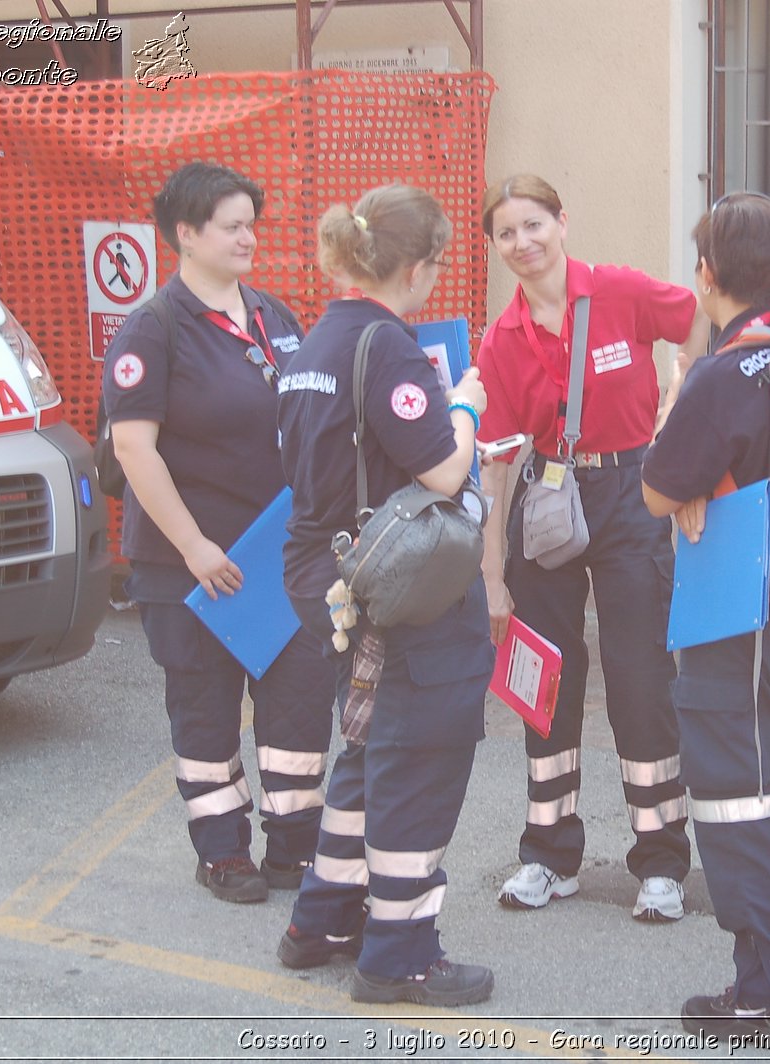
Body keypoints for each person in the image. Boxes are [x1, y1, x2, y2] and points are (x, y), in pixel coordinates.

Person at [273, 183, 495, 1007]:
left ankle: (323, 919)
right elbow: (442, 467)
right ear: (418, 265)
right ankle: (399, 952)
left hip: (330, 576)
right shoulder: (391, 347)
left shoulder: (310, 345)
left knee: (369, 747)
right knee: (419, 755)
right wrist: (464, 406)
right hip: (401, 589)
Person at [641, 192, 770, 1047]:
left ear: (707, 274)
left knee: (736, 805)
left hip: (740, 615)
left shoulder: (724, 371)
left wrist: (682, 475)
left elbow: (656, 485)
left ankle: (768, 996)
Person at [475, 174, 705, 922]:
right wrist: (490, 573)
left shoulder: (619, 291)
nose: (523, 243)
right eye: (507, 233)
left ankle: (662, 862)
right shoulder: (501, 337)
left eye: (534, 225)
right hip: (543, 505)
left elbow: (697, 320)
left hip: (630, 494)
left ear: (562, 222)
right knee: (541, 683)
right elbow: (498, 460)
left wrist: (683, 408)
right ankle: (548, 853)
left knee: (640, 677)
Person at [102, 162, 328, 904]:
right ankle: (222, 852)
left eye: (250, 224)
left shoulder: (273, 315)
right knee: (204, 710)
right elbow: (133, 449)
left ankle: (293, 847)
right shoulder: (155, 328)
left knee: (297, 705)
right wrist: (196, 547)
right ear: (185, 234)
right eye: (231, 226)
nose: (247, 237)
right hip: (190, 565)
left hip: (277, 557)